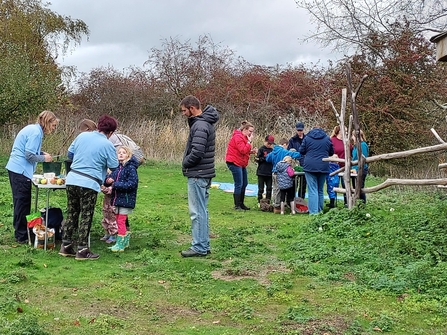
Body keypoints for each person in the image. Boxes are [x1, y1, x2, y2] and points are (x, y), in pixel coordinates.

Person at [59, 115, 119, 260]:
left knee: (72, 212)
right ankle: (82, 249)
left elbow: (70, 153)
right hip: (89, 183)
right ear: (110, 132)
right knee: (86, 215)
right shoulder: (107, 145)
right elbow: (114, 165)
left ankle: (66, 246)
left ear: (98, 126)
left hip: (72, 179)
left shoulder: (82, 136)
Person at [6, 111, 58, 244]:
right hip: (21, 170)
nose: (53, 128)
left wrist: (41, 153)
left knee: (20, 203)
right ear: (47, 122)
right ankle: (21, 235)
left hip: (16, 169)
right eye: (53, 125)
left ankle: (21, 232)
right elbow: (29, 155)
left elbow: (28, 150)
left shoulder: (33, 129)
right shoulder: (36, 133)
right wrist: (43, 158)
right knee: (22, 204)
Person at [180, 95, 219, 257]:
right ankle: (203, 244)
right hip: (203, 173)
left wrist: (185, 163)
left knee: (197, 212)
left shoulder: (200, 125)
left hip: (198, 174)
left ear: (192, 108)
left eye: (184, 110)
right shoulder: (203, 123)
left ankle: (199, 247)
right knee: (202, 211)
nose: (183, 114)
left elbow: (197, 151)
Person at [103, 145, 139, 252]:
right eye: (119, 153)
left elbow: (132, 184)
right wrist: (107, 181)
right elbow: (110, 179)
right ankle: (125, 240)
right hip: (117, 198)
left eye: (124, 152)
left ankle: (120, 244)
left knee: (121, 220)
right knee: (119, 218)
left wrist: (115, 185)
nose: (121, 154)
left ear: (128, 155)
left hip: (127, 199)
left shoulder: (131, 168)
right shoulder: (117, 168)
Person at [299, 126, 334, 215]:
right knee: (320, 189)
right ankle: (320, 210)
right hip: (323, 165)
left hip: (310, 166)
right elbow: (331, 152)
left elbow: (301, 150)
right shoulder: (327, 138)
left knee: (312, 189)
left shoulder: (307, 138)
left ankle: (313, 212)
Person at [225, 120, 257, 210]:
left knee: (245, 183)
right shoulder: (238, 137)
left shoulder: (244, 138)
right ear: (245, 130)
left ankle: (241, 203)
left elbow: (243, 151)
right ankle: (237, 205)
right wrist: (249, 143)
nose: (251, 133)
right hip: (234, 162)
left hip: (241, 162)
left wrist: (251, 151)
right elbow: (242, 150)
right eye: (250, 131)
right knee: (239, 183)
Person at [265, 138, 301, 213]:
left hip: (274, 172)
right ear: (285, 144)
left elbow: (267, 158)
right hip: (281, 174)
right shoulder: (284, 151)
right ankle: (278, 207)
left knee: (275, 189)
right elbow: (293, 154)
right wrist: (302, 153)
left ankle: (276, 205)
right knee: (280, 190)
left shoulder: (273, 151)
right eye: (287, 146)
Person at [288, 121, 307, 198]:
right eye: (298, 130)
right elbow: (290, 151)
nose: (300, 132)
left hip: (305, 163)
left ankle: (301, 199)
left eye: (301, 130)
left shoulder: (306, 139)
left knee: (303, 184)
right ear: (296, 130)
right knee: (294, 183)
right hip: (295, 163)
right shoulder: (292, 140)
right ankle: (292, 199)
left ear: (303, 130)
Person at [255, 135, 275, 206]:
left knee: (269, 188)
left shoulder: (272, 151)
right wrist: (264, 158)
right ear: (265, 141)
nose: (269, 145)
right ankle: (259, 201)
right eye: (268, 143)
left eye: (271, 144)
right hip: (261, 172)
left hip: (269, 172)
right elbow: (257, 159)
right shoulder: (261, 149)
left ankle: (268, 201)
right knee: (261, 188)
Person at [351, 129, 369, 203]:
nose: (352, 138)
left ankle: (362, 205)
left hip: (360, 169)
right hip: (354, 169)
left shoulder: (363, 145)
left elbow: (362, 158)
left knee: (360, 188)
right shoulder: (356, 146)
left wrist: (357, 169)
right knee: (356, 188)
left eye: (353, 136)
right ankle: (357, 204)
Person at [330, 125, 347, 204]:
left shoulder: (346, 141)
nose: (346, 133)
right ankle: (332, 202)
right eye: (345, 131)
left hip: (344, 167)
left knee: (345, 184)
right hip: (334, 167)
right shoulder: (332, 140)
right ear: (340, 131)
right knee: (333, 184)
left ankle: (346, 202)